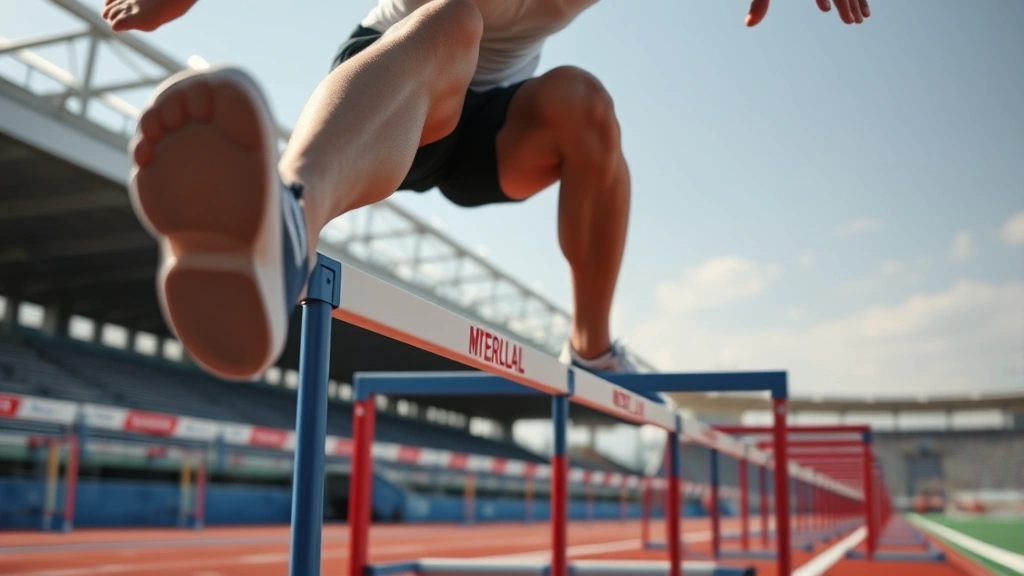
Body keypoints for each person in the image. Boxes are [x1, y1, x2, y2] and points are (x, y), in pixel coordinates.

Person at [101, 0, 870, 383]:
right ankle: (288, 224)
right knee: (456, 16)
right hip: (400, 86)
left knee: (586, 104)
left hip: (495, 130)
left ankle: (592, 348)